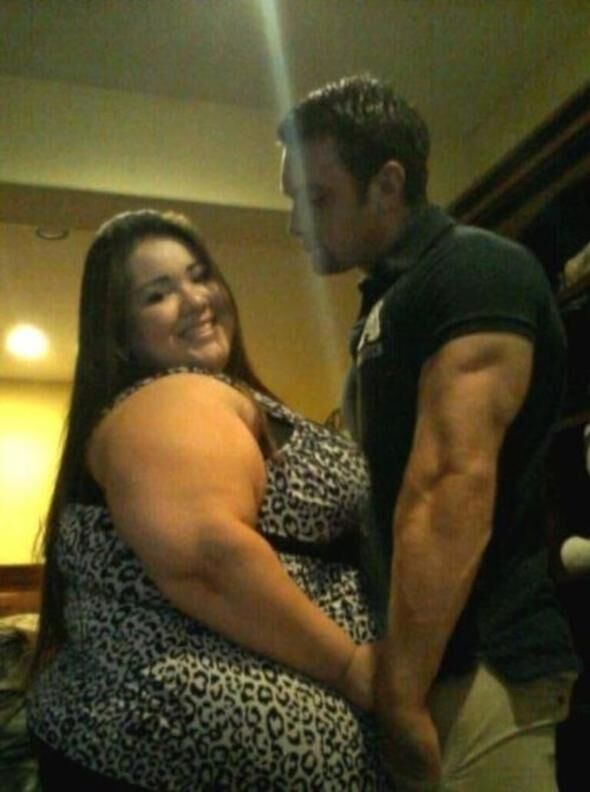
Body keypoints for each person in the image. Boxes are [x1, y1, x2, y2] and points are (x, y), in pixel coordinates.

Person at [278, 75, 579, 791]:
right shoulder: (391, 298)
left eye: (316, 198)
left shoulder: (474, 268)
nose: (295, 222)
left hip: (481, 666)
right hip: (428, 660)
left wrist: (403, 691)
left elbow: (451, 481)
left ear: (387, 185)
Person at [26, 209, 389, 790]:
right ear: (119, 334)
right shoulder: (173, 398)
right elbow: (209, 558)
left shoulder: (205, 396)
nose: (195, 299)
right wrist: (352, 668)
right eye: (158, 294)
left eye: (200, 276)